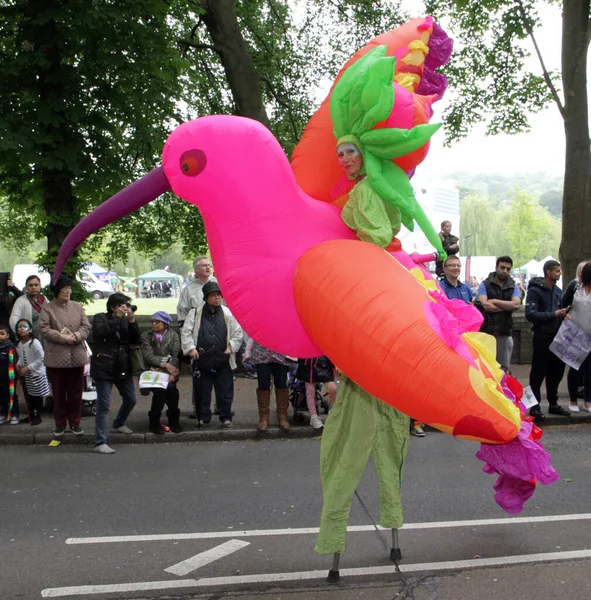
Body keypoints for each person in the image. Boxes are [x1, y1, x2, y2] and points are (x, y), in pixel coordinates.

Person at [181, 281, 242, 429]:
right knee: (203, 390)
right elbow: (186, 332)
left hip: (223, 358)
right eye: (213, 295)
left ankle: (226, 417)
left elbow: (238, 333)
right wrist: (191, 349)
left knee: (225, 391)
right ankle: (203, 417)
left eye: (219, 295)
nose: (217, 298)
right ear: (206, 297)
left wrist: (229, 349)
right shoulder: (195, 313)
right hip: (202, 358)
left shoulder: (228, 313)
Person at [39, 276, 90, 436]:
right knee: (59, 393)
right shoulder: (48, 308)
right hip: (57, 357)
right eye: (64, 288)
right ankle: (60, 424)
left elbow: (86, 326)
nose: (68, 291)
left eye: (69, 288)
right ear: (56, 290)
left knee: (76, 393)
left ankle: (75, 423)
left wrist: (76, 336)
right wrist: (62, 337)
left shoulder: (77, 306)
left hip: (77, 355)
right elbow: (44, 328)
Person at [91, 292, 140, 454]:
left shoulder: (125, 320)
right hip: (103, 365)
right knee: (104, 404)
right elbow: (101, 334)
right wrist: (117, 318)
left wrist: (132, 321)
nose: (124, 308)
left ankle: (119, 423)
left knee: (131, 398)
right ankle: (100, 441)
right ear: (113, 307)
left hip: (122, 366)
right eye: (121, 305)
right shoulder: (100, 318)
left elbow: (135, 340)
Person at [525, 260, 570, 420]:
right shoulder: (535, 291)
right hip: (542, 336)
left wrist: (564, 315)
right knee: (537, 373)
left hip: (557, 337)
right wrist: (553, 314)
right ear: (548, 272)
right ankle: (533, 406)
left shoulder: (557, 291)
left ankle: (553, 403)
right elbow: (530, 314)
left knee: (556, 372)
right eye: (557, 271)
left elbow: (558, 311)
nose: (560, 273)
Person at [477, 256, 522, 372]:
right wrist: (507, 306)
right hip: (487, 332)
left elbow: (516, 305)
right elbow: (484, 305)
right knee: (486, 368)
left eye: (508, 269)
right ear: (496, 267)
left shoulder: (513, 286)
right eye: (502, 267)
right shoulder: (484, 284)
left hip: (504, 332)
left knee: (503, 369)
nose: (505, 271)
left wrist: (495, 301)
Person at [140, 311, 182, 434]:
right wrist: (165, 363)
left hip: (170, 373)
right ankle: (154, 422)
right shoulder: (146, 336)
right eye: (153, 321)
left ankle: (174, 421)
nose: (154, 324)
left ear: (165, 323)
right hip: (151, 372)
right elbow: (148, 356)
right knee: (160, 392)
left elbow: (175, 355)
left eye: (158, 322)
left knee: (172, 392)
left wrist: (172, 373)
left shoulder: (173, 335)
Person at [243, 339, 292, 431]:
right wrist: (248, 351)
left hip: (280, 353)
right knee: (263, 384)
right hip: (261, 353)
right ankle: (263, 418)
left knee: (281, 383)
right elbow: (253, 335)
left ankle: (282, 417)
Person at [564, 261, 591, 412]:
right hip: (575, 333)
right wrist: (566, 315)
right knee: (574, 367)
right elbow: (564, 304)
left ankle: (588, 401)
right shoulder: (575, 287)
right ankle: (572, 400)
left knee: (589, 369)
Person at [15, 318, 49, 425]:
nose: (21, 329)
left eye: (24, 327)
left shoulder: (35, 343)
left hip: (36, 373)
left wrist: (29, 367)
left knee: (36, 396)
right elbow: (21, 357)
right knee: (28, 396)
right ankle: (30, 415)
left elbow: (42, 358)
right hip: (27, 374)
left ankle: (37, 416)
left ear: (30, 330)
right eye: (19, 327)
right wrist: (18, 364)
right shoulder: (19, 344)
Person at [296, 356, 337, 430]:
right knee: (310, 392)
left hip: (324, 364)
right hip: (308, 365)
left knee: (333, 388)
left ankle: (332, 412)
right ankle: (314, 416)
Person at [176, 257, 217, 328]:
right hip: (198, 329)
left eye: (209, 265)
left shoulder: (219, 285)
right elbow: (182, 312)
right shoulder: (188, 290)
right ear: (196, 269)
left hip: (219, 328)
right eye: (204, 265)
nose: (208, 267)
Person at [10, 275, 47, 343]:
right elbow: (13, 319)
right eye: (31, 285)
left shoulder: (45, 299)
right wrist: (22, 333)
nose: (34, 287)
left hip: (45, 338)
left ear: (40, 286)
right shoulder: (21, 301)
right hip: (29, 340)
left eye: (36, 285)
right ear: (26, 287)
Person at [0, 323, 18, 424]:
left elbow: (13, 362)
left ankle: (14, 414)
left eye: (2, 334)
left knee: (12, 395)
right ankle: (3, 414)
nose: (0, 336)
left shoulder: (10, 347)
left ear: (7, 335)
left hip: (9, 376)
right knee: (1, 396)